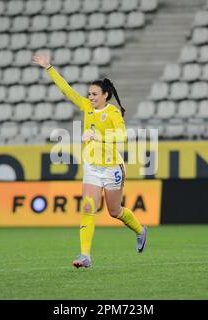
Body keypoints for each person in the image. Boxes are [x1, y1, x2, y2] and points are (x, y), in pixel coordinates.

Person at [32, 52, 147, 269]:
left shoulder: (113, 113)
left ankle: (141, 230)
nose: (91, 97)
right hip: (92, 167)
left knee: (115, 212)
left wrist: (97, 136)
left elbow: (121, 136)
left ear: (105, 95)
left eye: (95, 94)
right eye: (89, 94)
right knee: (87, 208)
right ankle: (85, 255)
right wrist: (49, 68)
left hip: (112, 167)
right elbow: (66, 90)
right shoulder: (86, 107)